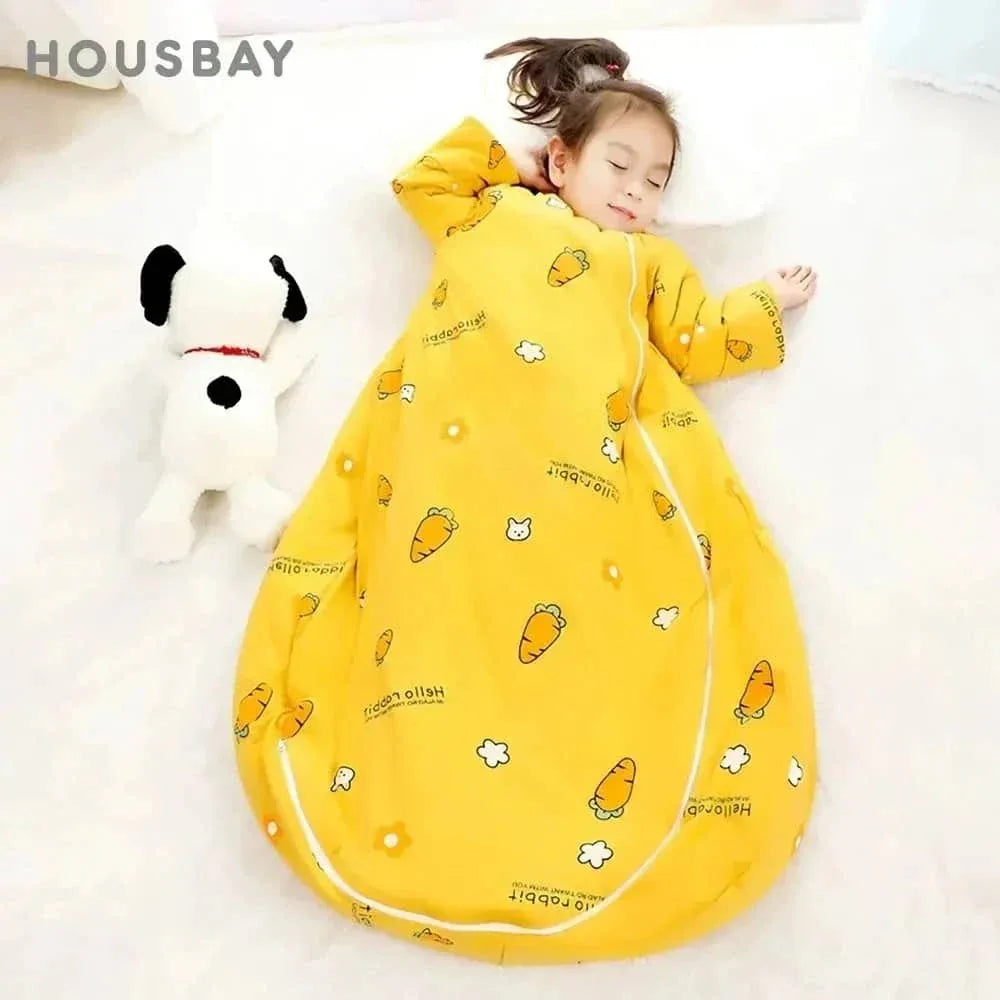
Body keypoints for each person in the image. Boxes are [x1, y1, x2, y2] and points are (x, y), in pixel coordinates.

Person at [232, 35, 818, 966]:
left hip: (581, 463)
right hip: (450, 456)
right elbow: (422, 179)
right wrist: (524, 159)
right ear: (561, 159)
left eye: (656, 180)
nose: (636, 191)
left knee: (570, 627)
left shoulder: (648, 262)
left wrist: (763, 304)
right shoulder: (490, 213)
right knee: (430, 612)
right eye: (618, 164)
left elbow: (699, 345)